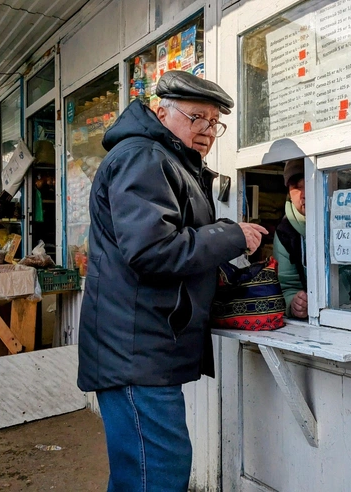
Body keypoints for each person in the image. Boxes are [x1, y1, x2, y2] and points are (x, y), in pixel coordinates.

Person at [77, 70, 267, 492]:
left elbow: (169, 248)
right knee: (156, 475)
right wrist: (231, 234)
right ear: (162, 112)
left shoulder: (166, 160)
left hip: (140, 350)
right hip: (135, 352)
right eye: (195, 117)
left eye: (213, 122)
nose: (206, 131)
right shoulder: (144, 157)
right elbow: (153, 251)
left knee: (141, 473)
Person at [273, 158, 308, 319]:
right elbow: (287, 287)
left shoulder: (346, 219)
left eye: (309, 183)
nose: (304, 194)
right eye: (297, 187)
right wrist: (294, 303)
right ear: (288, 192)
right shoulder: (285, 232)